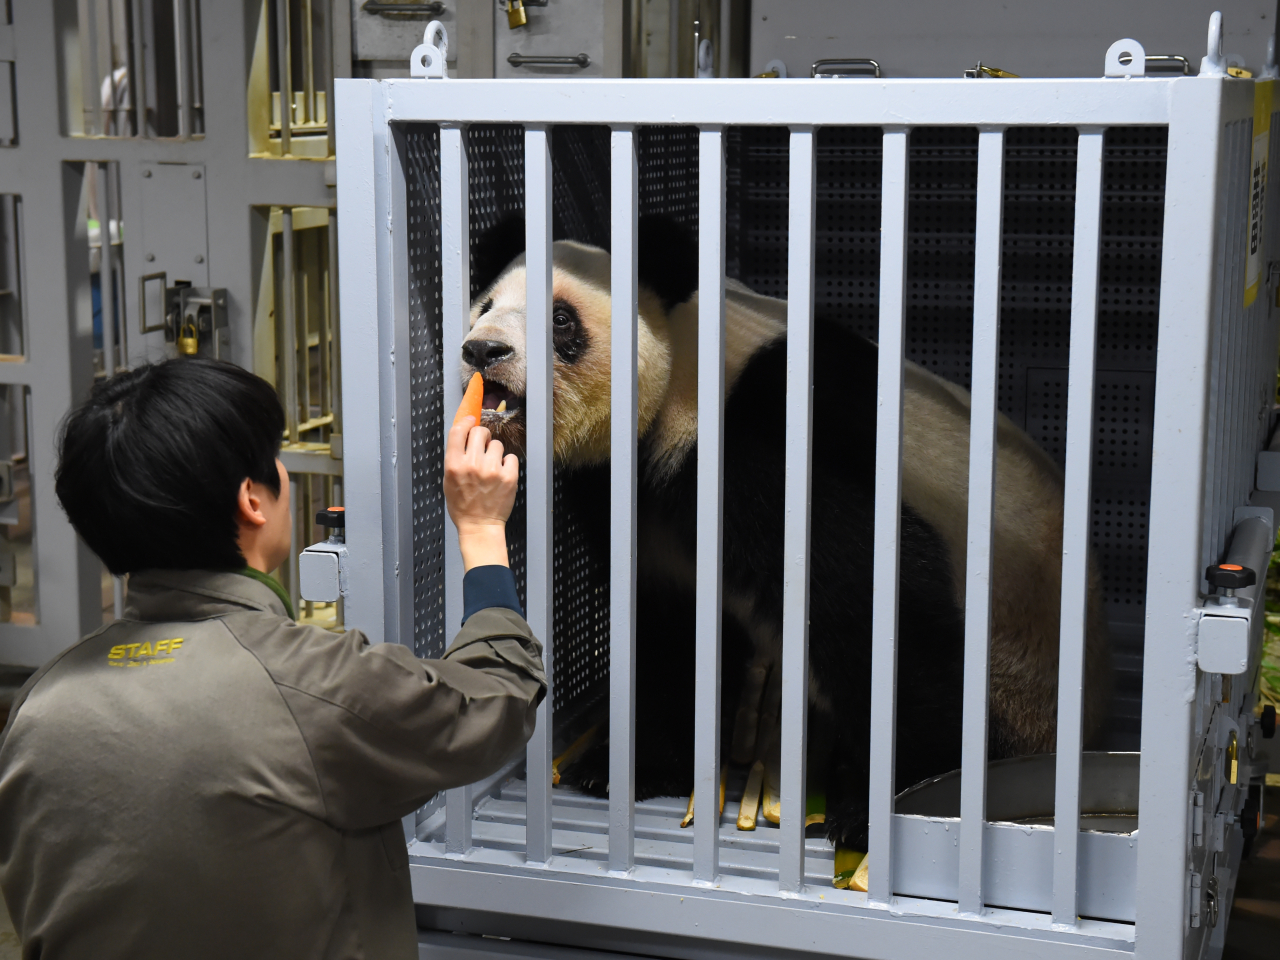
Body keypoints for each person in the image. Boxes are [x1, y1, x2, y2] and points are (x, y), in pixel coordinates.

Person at [0, 358, 543, 959]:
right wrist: (481, 529)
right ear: (252, 500)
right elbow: (500, 697)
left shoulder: (37, 708)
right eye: (275, 456)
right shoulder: (312, 685)